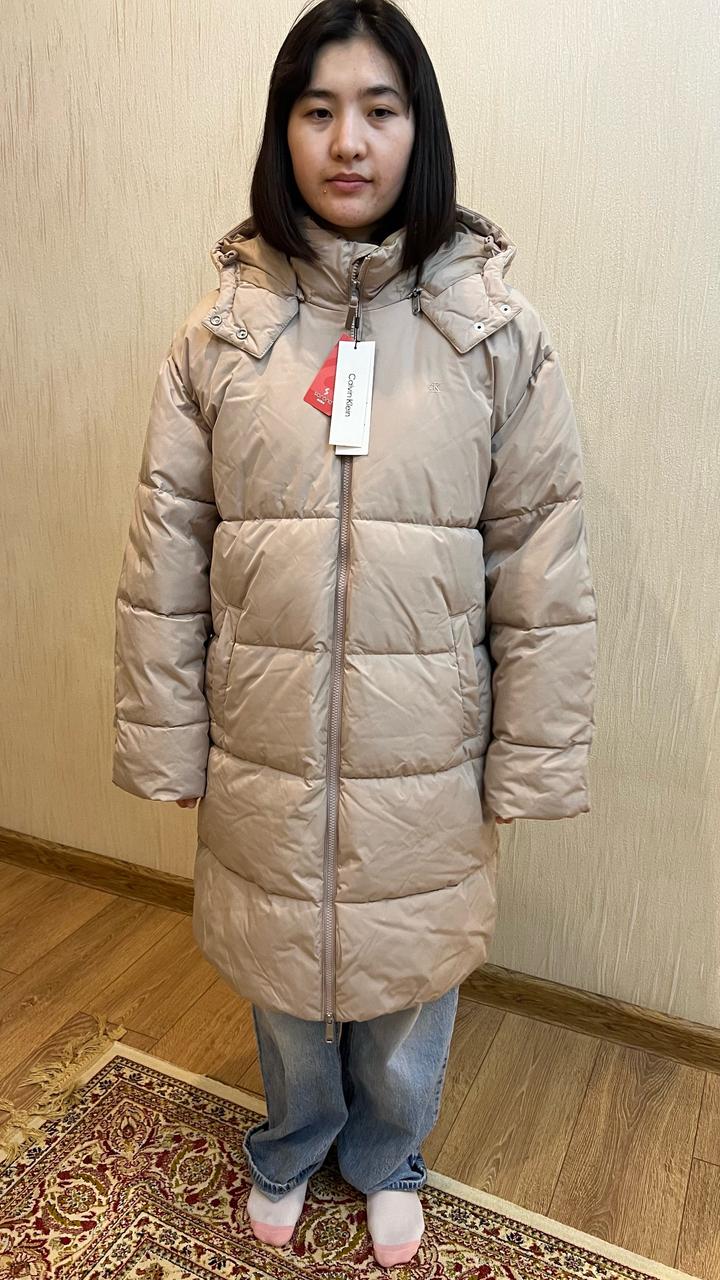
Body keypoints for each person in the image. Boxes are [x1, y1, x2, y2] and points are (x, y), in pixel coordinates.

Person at [111, 0, 598, 1266]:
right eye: (317, 109)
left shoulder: (496, 336)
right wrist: (168, 733)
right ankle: (292, 1134)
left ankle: (388, 1150)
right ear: (282, 132)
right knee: (280, 970)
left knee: (411, 979)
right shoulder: (222, 335)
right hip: (265, 735)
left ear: (418, 129)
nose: (348, 139)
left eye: (379, 109)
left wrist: (533, 751)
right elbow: (168, 551)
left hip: (426, 744)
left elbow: (541, 559)